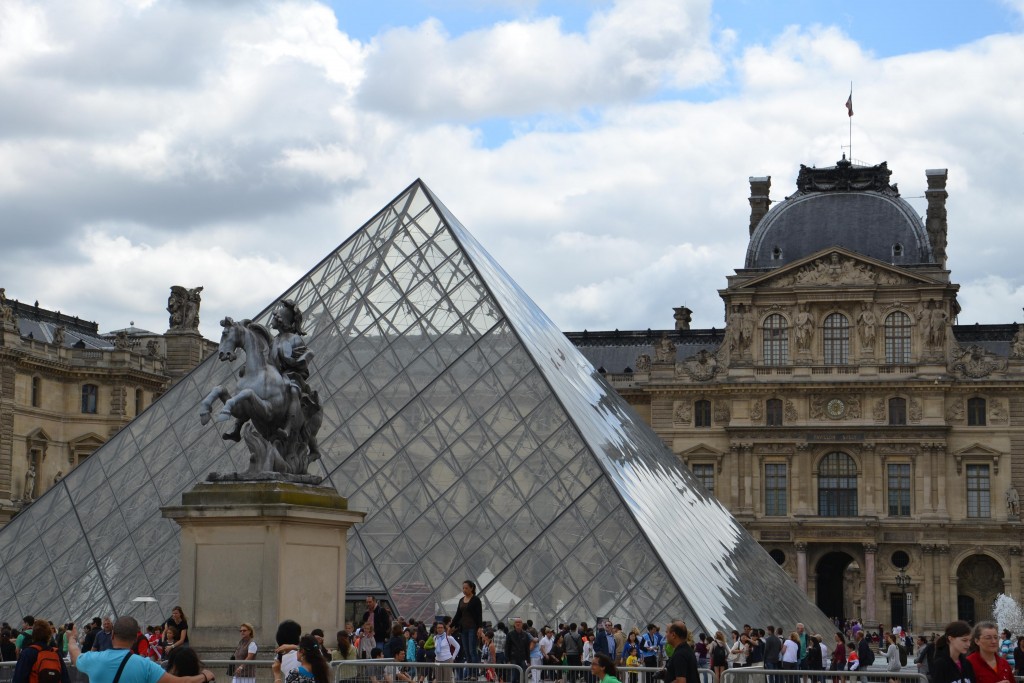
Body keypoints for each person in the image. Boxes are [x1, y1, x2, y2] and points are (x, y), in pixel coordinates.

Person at [69, 617, 214, 683]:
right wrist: (205, 676)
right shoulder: (146, 665)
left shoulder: (94, 659)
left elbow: (75, 656)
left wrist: (72, 638)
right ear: (134, 639)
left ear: (112, 634)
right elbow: (180, 682)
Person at [453, 581, 483, 668]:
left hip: (472, 628)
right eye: (463, 588)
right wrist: (451, 626)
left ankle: (474, 673)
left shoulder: (476, 600)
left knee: (472, 651)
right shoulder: (461, 600)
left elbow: (479, 614)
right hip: (463, 629)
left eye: (466, 588)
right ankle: (470, 673)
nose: (464, 590)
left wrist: (480, 627)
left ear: (471, 588)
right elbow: (458, 615)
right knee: (467, 651)